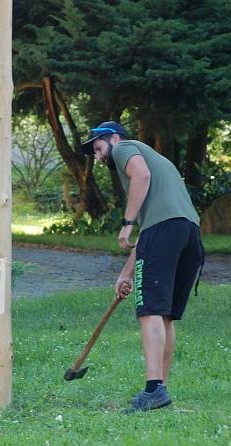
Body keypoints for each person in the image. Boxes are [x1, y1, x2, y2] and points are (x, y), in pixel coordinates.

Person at [82, 121, 204, 413]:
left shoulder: (125, 148)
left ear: (113, 138)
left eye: (98, 149)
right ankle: (160, 388)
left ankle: (153, 389)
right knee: (165, 317)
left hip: (165, 233)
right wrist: (125, 275)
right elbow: (152, 233)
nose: (98, 157)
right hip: (190, 234)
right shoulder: (156, 160)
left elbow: (141, 175)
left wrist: (126, 224)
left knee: (150, 311)